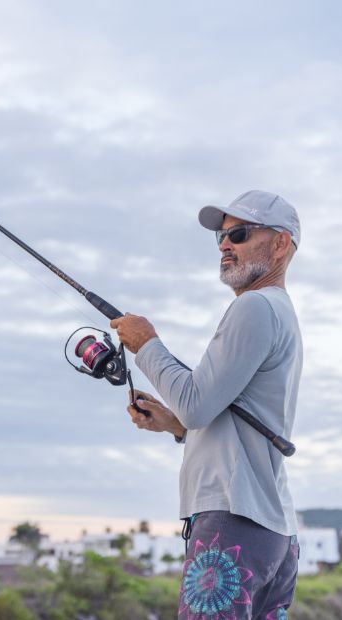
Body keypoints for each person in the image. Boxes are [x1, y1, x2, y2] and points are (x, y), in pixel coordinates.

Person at [110, 190, 302, 620]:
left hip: (233, 520)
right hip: (275, 531)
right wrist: (177, 426)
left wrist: (146, 344)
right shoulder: (280, 312)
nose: (224, 245)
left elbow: (197, 403)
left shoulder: (255, 306)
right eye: (221, 236)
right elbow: (210, 412)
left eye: (239, 233)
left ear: (280, 244)